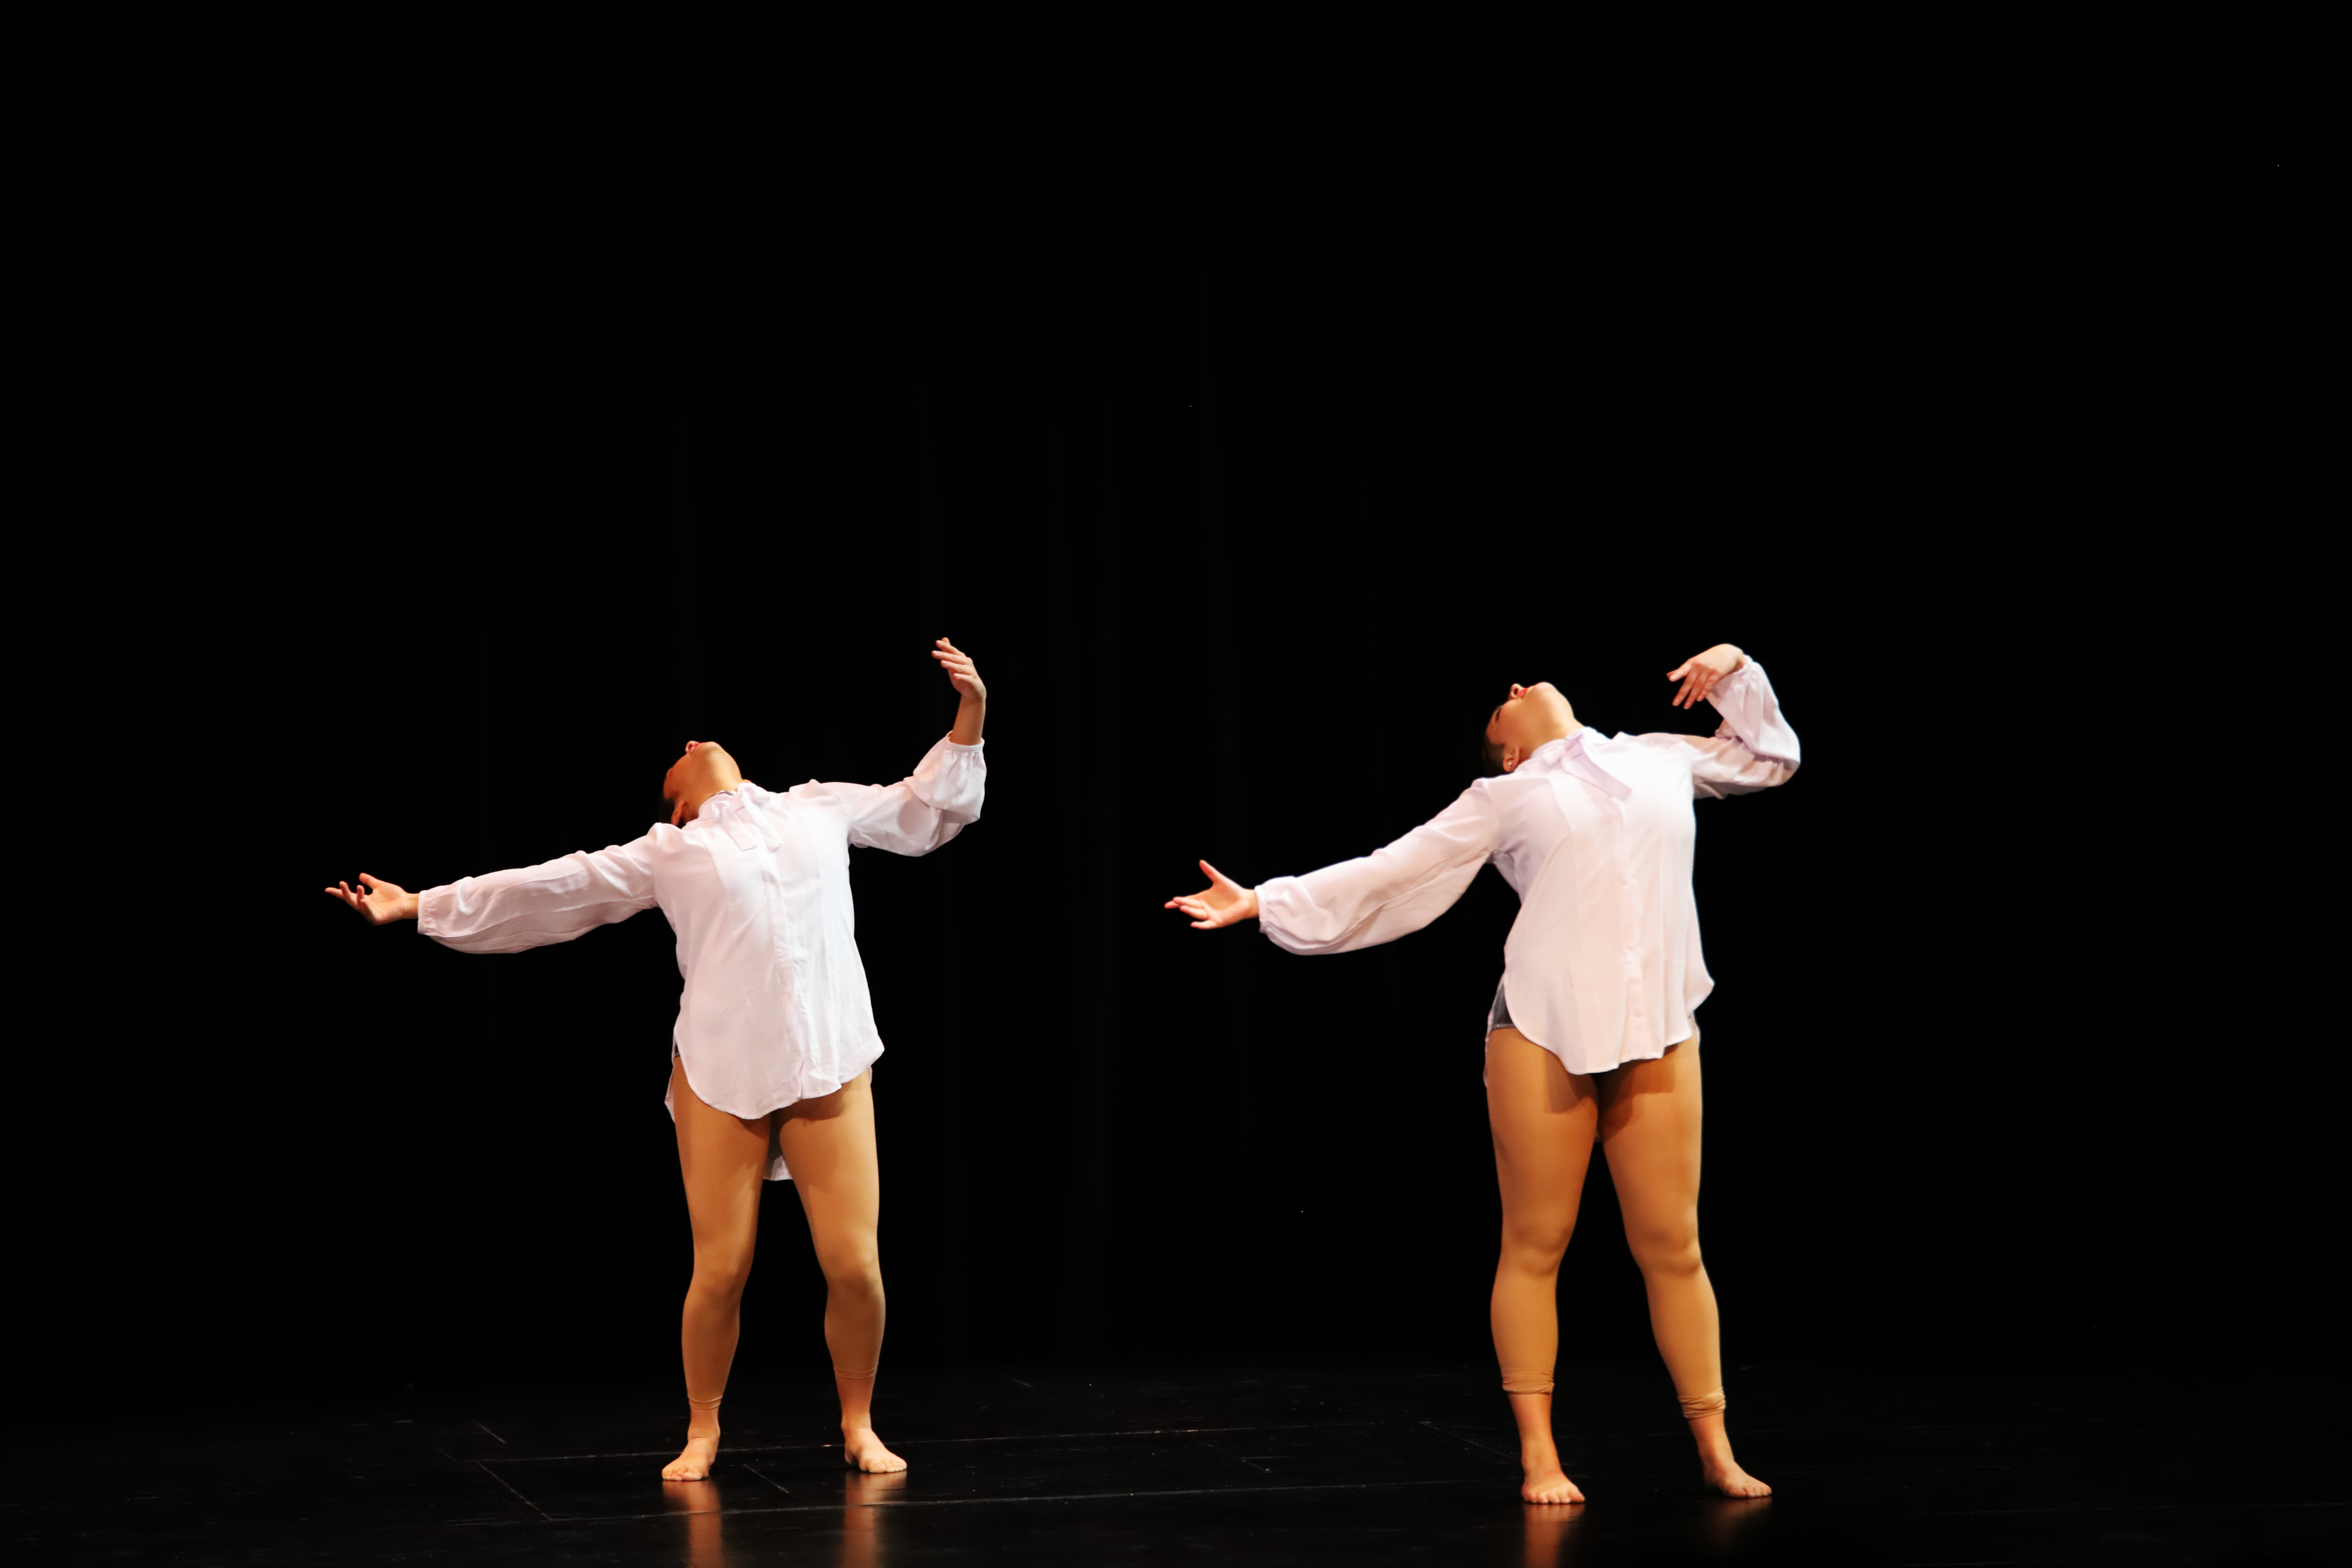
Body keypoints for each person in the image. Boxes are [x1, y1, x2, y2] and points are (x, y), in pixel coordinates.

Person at [327, 638, 989, 1481]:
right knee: (722, 1269)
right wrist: (421, 905)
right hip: (720, 1071)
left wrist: (971, 713)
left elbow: (925, 811)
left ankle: (858, 1423)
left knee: (856, 1264)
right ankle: (703, 1430)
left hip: (829, 1057)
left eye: (690, 744)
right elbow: (550, 888)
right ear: (675, 807)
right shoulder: (666, 852)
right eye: (674, 759)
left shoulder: (818, 806)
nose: (689, 744)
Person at [1165, 643, 1796, 1504]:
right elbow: (1392, 870)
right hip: (1542, 1026)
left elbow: (1769, 758)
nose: (1516, 688)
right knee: (1536, 1242)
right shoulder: (1501, 795)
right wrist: (1265, 900)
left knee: (1674, 1245)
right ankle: (1540, 1454)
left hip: (1658, 1024)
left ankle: (1716, 1448)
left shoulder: (1657, 757)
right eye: (1502, 707)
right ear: (1510, 750)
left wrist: (1736, 668)